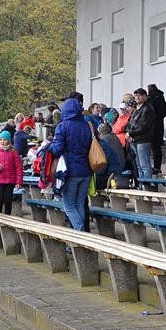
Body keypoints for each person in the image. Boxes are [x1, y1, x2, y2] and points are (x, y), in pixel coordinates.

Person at [50, 97, 93, 231]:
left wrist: (49, 147)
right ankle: (80, 233)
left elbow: (57, 150)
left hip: (70, 171)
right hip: (86, 170)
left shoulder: (62, 126)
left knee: (69, 206)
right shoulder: (86, 125)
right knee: (80, 203)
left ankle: (80, 234)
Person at [0, 131, 23, 215]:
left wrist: (19, 181)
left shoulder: (14, 152)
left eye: (4, 140)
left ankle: (8, 219)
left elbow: (19, 168)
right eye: (0, 139)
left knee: (8, 201)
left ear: (8, 141)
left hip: (10, 181)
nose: (2, 141)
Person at [127, 87, 156, 182]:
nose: (137, 97)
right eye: (135, 96)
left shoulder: (148, 109)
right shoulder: (136, 109)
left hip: (143, 140)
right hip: (135, 140)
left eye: (139, 95)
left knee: (144, 165)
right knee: (138, 165)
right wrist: (129, 135)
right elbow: (130, 124)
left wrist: (130, 133)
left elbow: (143, 126)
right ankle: (141, 184)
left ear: (145, 97)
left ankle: (147, 185)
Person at [147, 84, 166, 174]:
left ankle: (156, 167)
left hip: (154, 126)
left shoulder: (153, 100)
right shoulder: (161, 98)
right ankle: (157, 167)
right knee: (157, 148)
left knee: (154, 148)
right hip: (159, 126)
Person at [94, 123, 125, 190]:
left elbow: (102, 167)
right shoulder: (115, 137)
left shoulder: (103, 142)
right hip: (118, 172)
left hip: (111, 177)